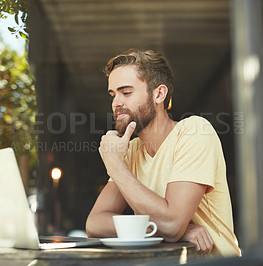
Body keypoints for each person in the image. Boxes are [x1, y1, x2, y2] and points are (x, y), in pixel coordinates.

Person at [86, 49, 241, 257]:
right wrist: (179, 229)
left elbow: (170, 224)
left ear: (159, 94)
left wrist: (114, 164)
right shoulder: (131, 151)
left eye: (126, 92)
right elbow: (95, 223)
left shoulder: (194, 132)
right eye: (113, 94)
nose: (116, 103)